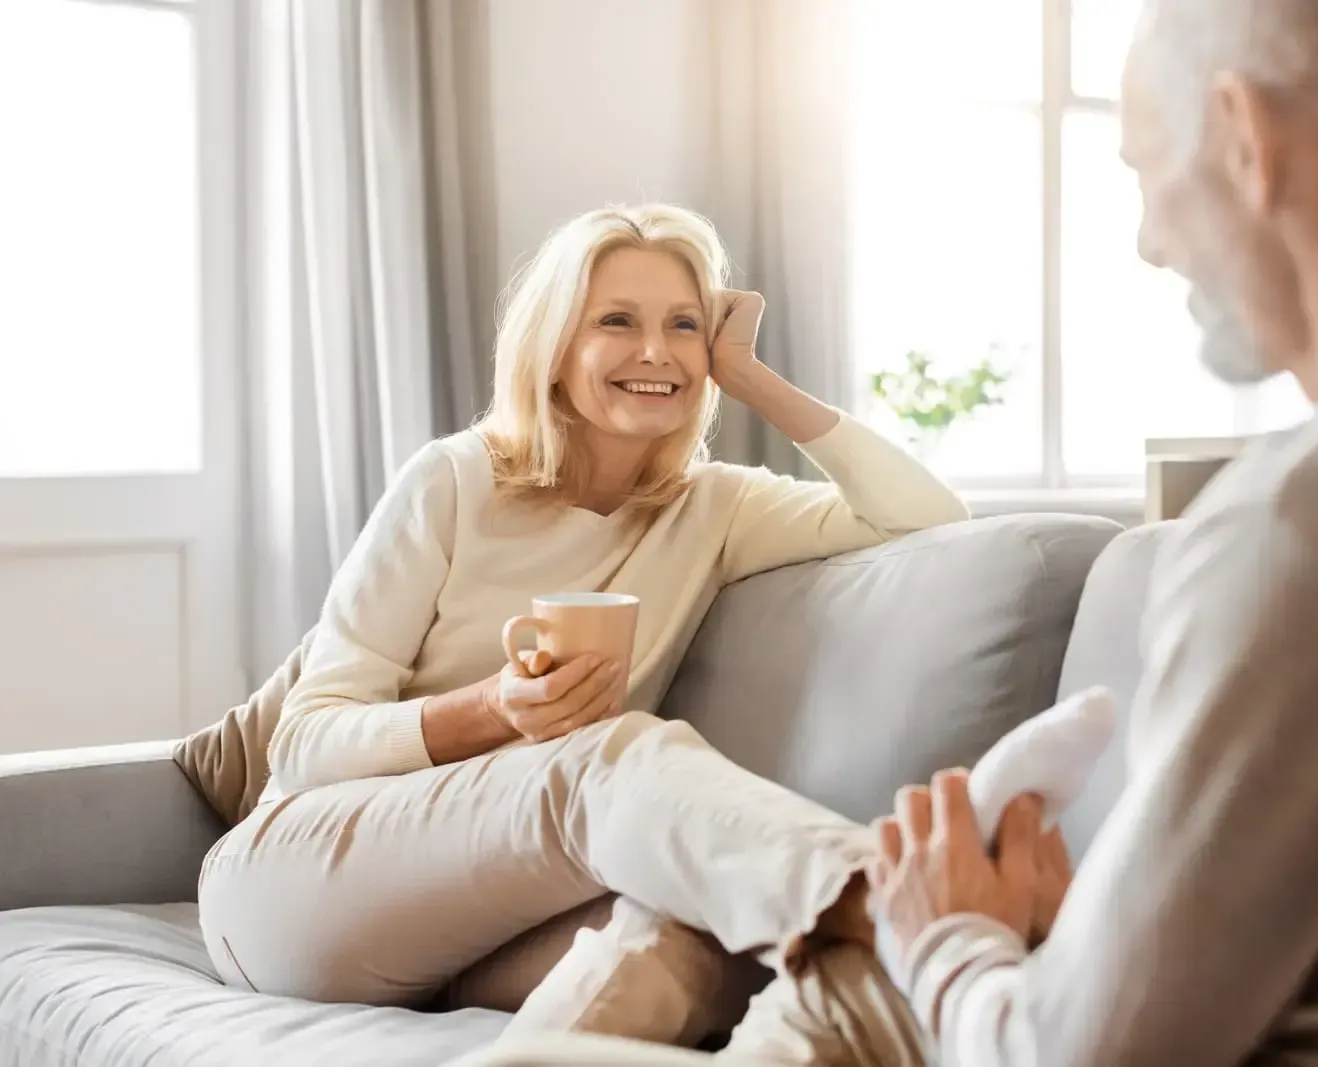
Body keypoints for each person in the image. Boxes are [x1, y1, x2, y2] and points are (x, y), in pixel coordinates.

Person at [870, 0, 1318, 1065]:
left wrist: (943, 934)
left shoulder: (1305, 523)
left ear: (1243, 139)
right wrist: (1097, 938)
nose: (1147, 240)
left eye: (1141, 171)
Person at [195, 203, 970, 1052]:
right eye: (616, 322)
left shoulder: (714, 506)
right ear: (555, 351)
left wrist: (749, 377)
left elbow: (925, 513)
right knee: (607, 757)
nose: (656, 352)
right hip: (297, 881)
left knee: (697, 948)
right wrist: (492, 709)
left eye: (684, 325)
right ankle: (914, 909)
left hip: (485, 914)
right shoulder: (453, 482)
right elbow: (304, 742)